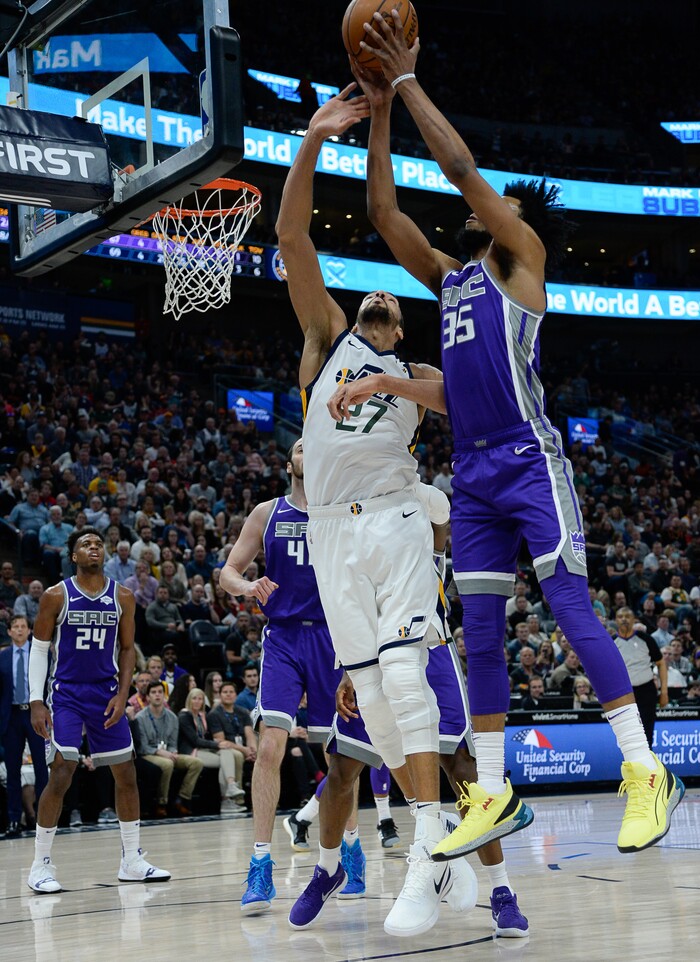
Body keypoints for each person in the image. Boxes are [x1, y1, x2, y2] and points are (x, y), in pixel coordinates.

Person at [349, 12, 683, 859]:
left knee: (569, 607)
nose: (482, 207)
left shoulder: (522, 259)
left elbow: (462, 171)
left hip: (530, 461)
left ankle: (645, 769)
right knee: (484, 632)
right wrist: (380, 110)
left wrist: (409, 78)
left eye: (498, 205)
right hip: (473, 472)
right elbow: (384, 212)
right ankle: (495, 790)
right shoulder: (451, 281)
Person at [276, 82, 452, 938]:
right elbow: (292, 237)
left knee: (407, 679)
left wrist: (394, 380)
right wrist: (312, 138)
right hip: (328, 535)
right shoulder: (327, 338)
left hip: (393, 520)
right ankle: (428, 835)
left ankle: (429, 848)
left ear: (402, 328)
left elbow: (465, 398)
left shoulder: (419, 378)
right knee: (373, 699)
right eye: (373, 298)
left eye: (393, 303)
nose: (381, 300)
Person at [219, 439, 345, 914]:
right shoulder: (267, 512)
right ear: (288, 463)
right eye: (299, 447)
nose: (307, 452)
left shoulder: (340, 511)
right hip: (285, 639)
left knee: (340, 754)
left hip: (333, 638)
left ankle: (348, 849)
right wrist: (248, 585)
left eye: (314, 447)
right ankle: (260, 864)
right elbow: (227, 572)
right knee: (270, 745)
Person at [26, 527, 169, 892]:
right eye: (86, 544)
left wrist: (123, 695)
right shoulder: (56, 596)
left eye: (98, 544)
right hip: (67, 694)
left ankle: (131, 860)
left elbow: (127, 649)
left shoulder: (123, 596)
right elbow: (39, 649)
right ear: (73, 556)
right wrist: (36, 700)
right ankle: (40, 864)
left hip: (106, 694)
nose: (94, 548)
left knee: (126, 773)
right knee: (62, 771)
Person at [0, 615, 49, 838]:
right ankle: (13, 820)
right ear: (9, 631)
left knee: (41, 769)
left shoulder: (41, 654)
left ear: (29, 631)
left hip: (35, 713)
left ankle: (43, 819)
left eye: (23, 626)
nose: (19, 630)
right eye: (15, 627)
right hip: (12, 717)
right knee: (12, 771)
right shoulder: (3, 656)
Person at [134, 680, 203, 817]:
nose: (157, 695)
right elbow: (142, 747)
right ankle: (162, 803)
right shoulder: (140, 717)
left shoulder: (172, 717)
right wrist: (160, 752)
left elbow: (172, 742)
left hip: (168, 752)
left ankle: (182, 798)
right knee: (167, 764)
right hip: (149, 754)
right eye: (153, 692)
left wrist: (172, 751)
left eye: (160, 692)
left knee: (196, 763)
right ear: (148, 697)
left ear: (165, 696)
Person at [177, 688, 244, 812]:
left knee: (226, 751)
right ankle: (226, 800)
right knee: (224, 760)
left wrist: (218, 744)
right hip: (191, 751)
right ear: (189, 700)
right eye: (194, 698)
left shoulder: (201, 716)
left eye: (200, 699)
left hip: (204, 749)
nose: (197, 701)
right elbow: (195, 740)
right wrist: (217, 744)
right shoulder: (184, 716)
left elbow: (206, 737)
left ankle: (231, 786)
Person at [613, 608, 667, 747]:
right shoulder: (611, 642)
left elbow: (661, 663)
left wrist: (664, 692)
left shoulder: (646, 639)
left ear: (634, 620)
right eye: (620, 616)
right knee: (627, 733)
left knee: (647, 732)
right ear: (616, 620)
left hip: (646, 690)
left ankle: (648, 759)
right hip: (623, 693)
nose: (624, 619)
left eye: (627, 616)